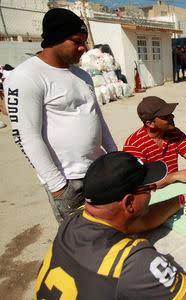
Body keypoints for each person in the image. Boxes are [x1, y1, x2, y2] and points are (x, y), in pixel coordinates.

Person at [34, 151, 186, 299]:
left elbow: (138, 223)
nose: (152, 192)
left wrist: (177, 200)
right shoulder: (133, 261)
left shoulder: (73, 219)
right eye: (147, 188)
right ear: (128, 203)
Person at [4, 8, 117, 223]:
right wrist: (57, 187)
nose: (83, 48)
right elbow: (26, 136)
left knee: (109, 232)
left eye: (84, 41)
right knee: (80, 242)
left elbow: (97, 117)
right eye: (76, 41)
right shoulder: (26, 77)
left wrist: (113, 154)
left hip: (98, 170)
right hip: (67, 179)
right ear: (54, 39)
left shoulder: (82, 75)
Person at [123, 96, 186, 189]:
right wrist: (174, 176)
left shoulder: (175, 133)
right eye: (165, 117)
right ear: (150, 123)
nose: (172, 117)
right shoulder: (134, 145)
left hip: (173, 191)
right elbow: (139, 186)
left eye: (170, 114)